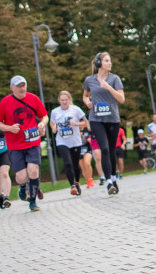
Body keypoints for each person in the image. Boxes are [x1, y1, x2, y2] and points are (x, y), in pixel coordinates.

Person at [0, 76, 48, 212]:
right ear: (12, 88)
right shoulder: (5, 102)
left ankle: (32, 202)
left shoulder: (33, 98)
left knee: (33, 171)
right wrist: (9, 128)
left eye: (24, 85)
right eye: (18, 86)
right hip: (15, 145)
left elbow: (44, 115)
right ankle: (23, 186)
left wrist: (42, 123)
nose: (22, 88)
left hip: (33, 141)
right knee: (21, 177)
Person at [82, 51, 125, 195]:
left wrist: (108, 87)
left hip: (112, 118)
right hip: (96, 119)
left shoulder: (115, 79)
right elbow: (85, 95)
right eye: (107, 61)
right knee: (104, 149)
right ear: (99, 64)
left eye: (110, 60)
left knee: (111, 151)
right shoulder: (89, 80)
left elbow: (122, 99)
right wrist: (87, 101)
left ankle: (113, 178)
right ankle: (108, 182)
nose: (110, 63)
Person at [50, 91, 88, 196]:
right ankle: (72, 185)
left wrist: (76, 123)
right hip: (62, 141)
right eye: (62, 100)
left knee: (75, 164)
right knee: (67, 162)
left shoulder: (75, 109)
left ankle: (77, 182)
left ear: (69, 99)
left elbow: (85, 122)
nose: (64, 102)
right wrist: (53, 127)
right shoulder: (55, 111)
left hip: (75, 141)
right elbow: (52, 122)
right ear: (59, 100)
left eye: (66, 100)